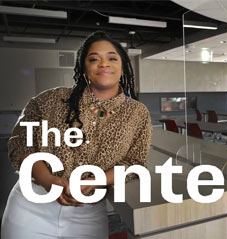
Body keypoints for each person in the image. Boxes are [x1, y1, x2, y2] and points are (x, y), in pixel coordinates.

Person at [1, 31, 152, 238]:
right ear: (83, 68)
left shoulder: (137, 113)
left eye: (112, 58)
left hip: (88, 214)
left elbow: (134, 164)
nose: (103, 64)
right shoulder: (49, 100)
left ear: (123, 66)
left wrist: (93, 181)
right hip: (31, 206)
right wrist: (46, 180)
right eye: (93, 59)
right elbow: (20, 145)